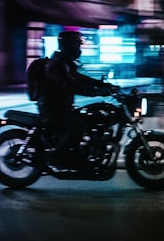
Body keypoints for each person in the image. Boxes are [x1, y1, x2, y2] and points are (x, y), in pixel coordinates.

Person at [35, 31, 118, 171]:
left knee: (90, 118)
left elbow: (79, 78)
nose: (79, 49)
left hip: (62, 107)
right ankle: (58, 157)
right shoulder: (57, 64)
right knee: (78, 126)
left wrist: (103, 85)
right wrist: (96, 92)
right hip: (53, 109)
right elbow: (70, 85)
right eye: (77, 45)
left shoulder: (66, 63)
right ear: (69, 46)